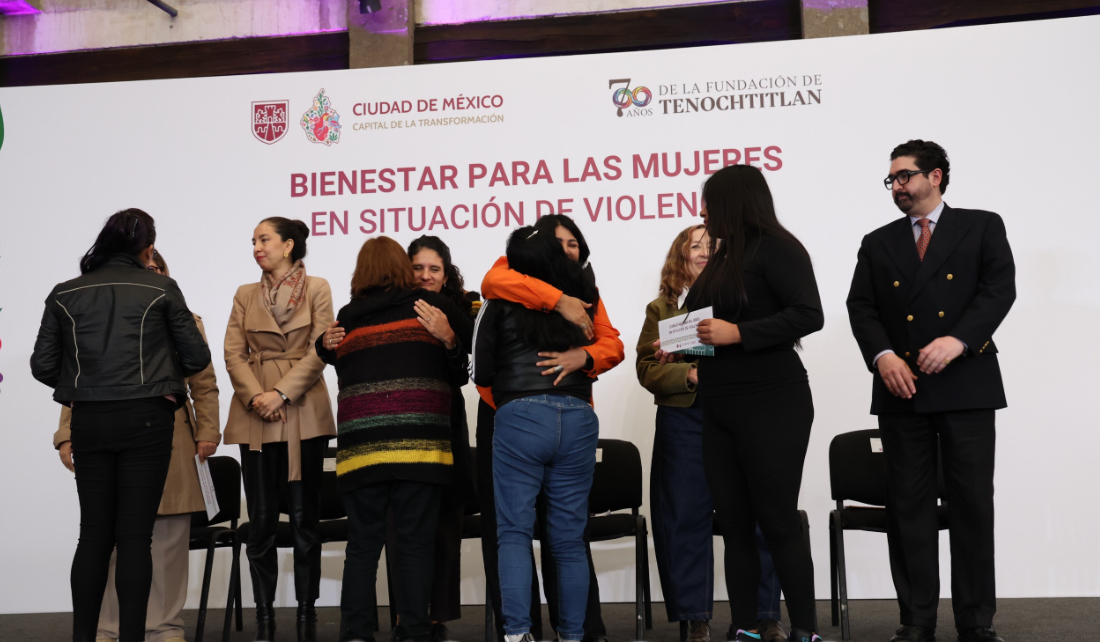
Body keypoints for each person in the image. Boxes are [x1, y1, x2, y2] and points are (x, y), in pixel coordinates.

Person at [846, 140, 1015, 642]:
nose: (896, 186)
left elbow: (998, 290)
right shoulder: (878, 241)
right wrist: (883, 356)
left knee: (971, 505)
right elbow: (861, 307)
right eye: (891, 179)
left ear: (935, 176)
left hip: (966, 383)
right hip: (902, 387)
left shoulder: (981, 225)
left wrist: (959, 340)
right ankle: (916, 620)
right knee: (908, 507)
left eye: (905, 176)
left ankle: (976, 621)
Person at [657, 165, 824, 642]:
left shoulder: (779, 248)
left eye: (709, 203)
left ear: (734, 202)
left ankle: (805, 630)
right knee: (733, 524)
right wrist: (680, 344)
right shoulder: (725, 257)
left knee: (777, 521)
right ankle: (746, 626)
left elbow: (808, 314)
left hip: (772, 401)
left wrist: (739, 334)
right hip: (719, 404)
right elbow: (708, 325)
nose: (703, 213)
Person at [31, 208, 211, 642]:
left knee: (93, 537)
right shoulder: (162, 288)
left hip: (90, 419)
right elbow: (196, 357)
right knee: (135, 538)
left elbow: (42, 366)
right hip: (147, 420)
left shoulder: (65, 293)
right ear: (147, 248)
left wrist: (89, 382)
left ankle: (84, 637)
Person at [315, 236, 472, 642]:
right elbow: (460, 370)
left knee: (362, 546)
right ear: (403, 268)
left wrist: (322, 344)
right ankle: (414, 631)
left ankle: (356, 634)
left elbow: (335, 360)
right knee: (416, 544)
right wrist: (450, 340)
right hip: (419, 449)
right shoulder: (430, 307)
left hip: (361, 451)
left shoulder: (347, 317)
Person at [477, 214, 625, 642]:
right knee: (568, 540)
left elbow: (481, 371)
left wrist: (512, 405)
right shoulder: (563, 295)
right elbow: (492, 278)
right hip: (577, 418)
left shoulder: (505, 299)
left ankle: (518, 634)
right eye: (559, 243)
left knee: (514, 534)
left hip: (519, 418)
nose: (567, 250)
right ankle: (573, 636)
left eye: (573, 242)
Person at [636, 224, 786, 642]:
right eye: (695, 245)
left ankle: (764, 616)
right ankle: (695, 618)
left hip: (742, 412)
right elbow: (646, 368)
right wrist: (689, 373)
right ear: (679, 256)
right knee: (684, 515)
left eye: (713, 245)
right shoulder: (662, 308)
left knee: (758, 513)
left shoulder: (744, 298)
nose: (705, 251)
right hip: (686, 417)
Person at [224, 217, 336, 642]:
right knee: (262, 519)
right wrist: (258, 397)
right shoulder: (244, 293)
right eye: (253, 240)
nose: (257, 247)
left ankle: (307, 616)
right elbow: (233, 353)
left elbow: (321, 349)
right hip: (255, 412)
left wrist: (281, 394)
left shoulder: (318, 287)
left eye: (264, 239)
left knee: (305, 518)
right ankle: (264, 619)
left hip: (302, 409)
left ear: (288, 245)